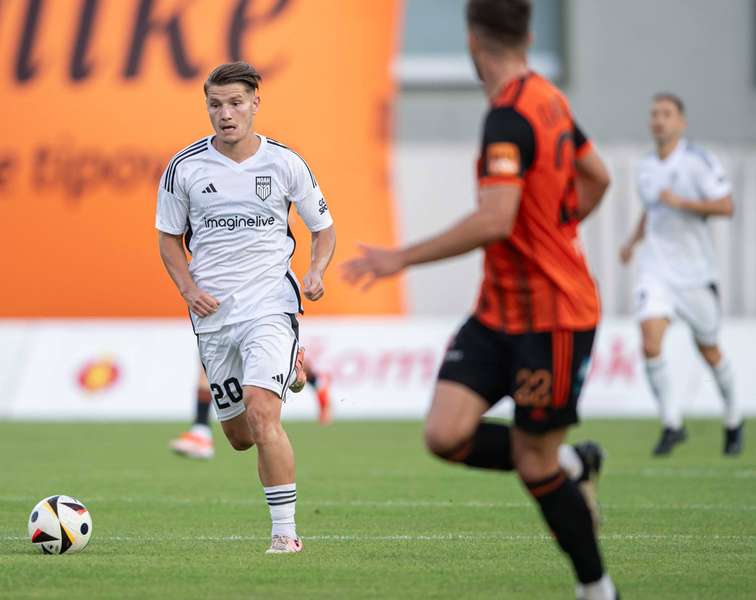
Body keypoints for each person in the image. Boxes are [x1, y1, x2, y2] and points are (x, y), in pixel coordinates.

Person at [341, 1, 617, 598]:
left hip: (554, 317)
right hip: (498, 312)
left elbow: (496, 219)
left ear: (472, 40)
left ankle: (598, 589)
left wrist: (400, 257)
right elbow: (598, 176)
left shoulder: (511, 115)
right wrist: (561, 226)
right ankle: (576, 466)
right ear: (528, 32)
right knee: (446, 434)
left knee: (533, 464)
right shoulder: (549, 96)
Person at [156, 61, 336, 554]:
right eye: (215, 104)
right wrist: (189, 290)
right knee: (238, 435)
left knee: (263, 415)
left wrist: (316, 272)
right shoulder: (185, 167)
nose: (225, 113)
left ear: (256, 102)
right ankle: (292, 373)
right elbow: (169, 240)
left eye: (235, 103)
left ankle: (285, 535)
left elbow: (323, 228)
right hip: (213, 317)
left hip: (270, 306)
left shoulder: (285, 163)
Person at [619, 93, 742, 456]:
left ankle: (733, 420)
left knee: (709, 350)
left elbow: (726, 205)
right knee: (650, 341)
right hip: (656, 271)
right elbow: (651, 211)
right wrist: (631, 242)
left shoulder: (698, 162)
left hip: (696, 274)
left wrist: (683, 203)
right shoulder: (645, 167)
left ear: (681, 122)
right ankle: (672, 424)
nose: (659, 120)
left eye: (666, 114)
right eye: (654, 113)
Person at [170, 362, 332, 460]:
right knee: (207, 365)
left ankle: (315, 380)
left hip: (253, 312)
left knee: (274, 359)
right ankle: (201, 431)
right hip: (222, 316)